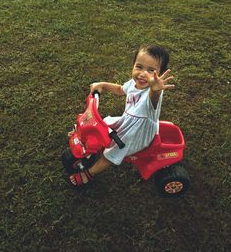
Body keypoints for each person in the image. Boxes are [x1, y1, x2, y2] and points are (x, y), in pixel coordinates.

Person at [69, 44, 175, 186]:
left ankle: (89, 173)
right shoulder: (134, 83)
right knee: (103, 124)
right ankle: (84, 135)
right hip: (128, 122)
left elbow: (153, 97)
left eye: (151, 71)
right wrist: (103, 85)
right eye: (139, 67)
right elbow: (120, 89)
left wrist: (155, 89)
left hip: (138, 134)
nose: (143, 73)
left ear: (159, 75)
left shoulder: (152, 94)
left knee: (113, 151)